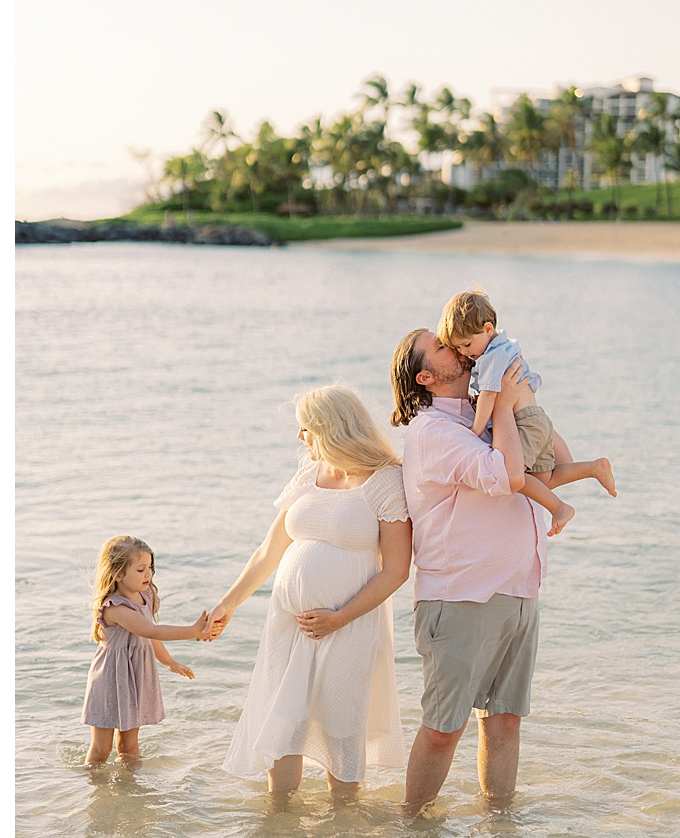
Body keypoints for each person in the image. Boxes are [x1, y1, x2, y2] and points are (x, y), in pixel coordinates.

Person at [205, 386, 411, 800]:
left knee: (341, 725)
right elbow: (269, 552)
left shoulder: (385, 481)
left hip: (348, 624)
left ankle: (344, 827)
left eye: (306, 429)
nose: (301, 439)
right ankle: (279, 827)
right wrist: (227, 605)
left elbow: (397, 570)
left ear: (332, 429)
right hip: (289, 625)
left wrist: (340, 616)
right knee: (283, 722)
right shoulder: (308, 475)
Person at [389, 328, 539, 812]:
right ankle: (412, 833)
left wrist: (512, 397)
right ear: (427, 377)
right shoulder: (433, 431)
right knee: (442, 730)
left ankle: (499, 830)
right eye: (440, 346)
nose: (455, 344)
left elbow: (547, 460)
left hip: (518, 589)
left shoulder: (486, 412)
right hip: (459, 598)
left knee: (506, 720)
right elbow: (509, 476)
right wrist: (500, 405)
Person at [436, 287, 617, 536]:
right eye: (459, 349)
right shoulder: (507, 347)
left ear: (487, 329)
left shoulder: (490, 357)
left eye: (467, 344)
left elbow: (489, 394)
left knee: (513, 476)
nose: (466, 353)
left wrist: (474, 431)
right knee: (542, 480)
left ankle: (558, 507)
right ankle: (594, 468)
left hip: (523, 423)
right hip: (538, 418)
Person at [83, 535, 208, 764]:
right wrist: (193, 631)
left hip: (134, 677)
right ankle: (93, 791)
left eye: (150, 567)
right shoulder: (115, 607)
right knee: (101, 749)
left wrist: (169, 662)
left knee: (128, 746)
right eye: (140, 570)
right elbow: (150, 631)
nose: (148, 574)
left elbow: (151, 635)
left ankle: (132, 792)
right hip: (110, 678)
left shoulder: (146, 596)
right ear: (118, 574)